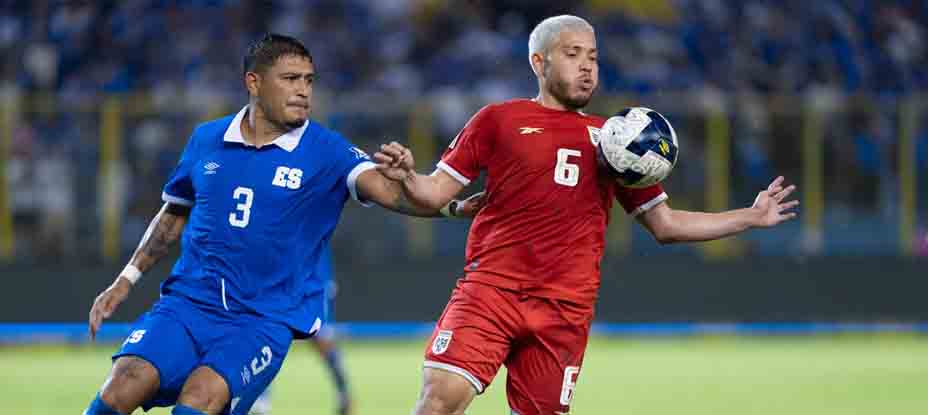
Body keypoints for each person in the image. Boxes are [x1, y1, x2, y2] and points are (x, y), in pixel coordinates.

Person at [373, 15, 800, 415]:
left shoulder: (616, 142)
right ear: (539, 62)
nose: (587, 67)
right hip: (491, 291)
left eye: (593, 57)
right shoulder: (497, 120)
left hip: (564, 310)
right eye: (573, 54)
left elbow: (666, 225)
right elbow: (432, 193)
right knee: (437, 402)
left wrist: (750, 216)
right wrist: (409, 177)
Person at [83, 33, 481, 415]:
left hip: (261, 319)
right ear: (253, 83)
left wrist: (444, 205)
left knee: (198, 399)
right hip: (187, 305)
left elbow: (388, 192)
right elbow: (173, 213)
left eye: (309, 80)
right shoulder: (206, 139)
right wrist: (125, 280)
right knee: (122, 383)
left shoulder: (327, 151)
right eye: (290, 79)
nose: (303, 90)